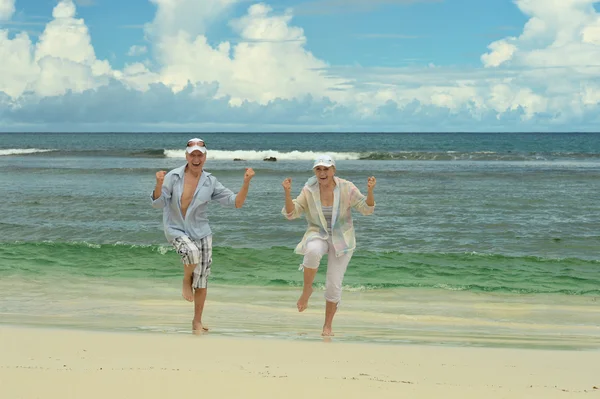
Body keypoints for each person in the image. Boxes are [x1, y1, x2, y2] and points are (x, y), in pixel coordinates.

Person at [151, 138, 255, 333]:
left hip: (202, 232)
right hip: (176, 229)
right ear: (186, 156)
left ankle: (197, 321)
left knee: (202, 280)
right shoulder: (173, 177)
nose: (196, 158)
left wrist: (246, 182)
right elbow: (158, 203)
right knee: (191, 253)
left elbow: (236, 202)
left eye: (200, 155)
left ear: (205, 157)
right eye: (193, 155)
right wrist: (158, 184)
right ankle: (185, 279)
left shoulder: (210, 181)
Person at [281, 154, 376, 336]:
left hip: (343, 239)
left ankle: (327, 326)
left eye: (326, 169)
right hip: (318, 233)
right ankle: (307, 290)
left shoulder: (346, 187)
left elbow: (367, 209)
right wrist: (287, 193)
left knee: (333, 284)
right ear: (315, 171)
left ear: (333, 170)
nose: (322, 173)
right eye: (318, 169)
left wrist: (370, 191)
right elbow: (292, 213)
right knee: (312, 250)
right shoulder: (309, 189)